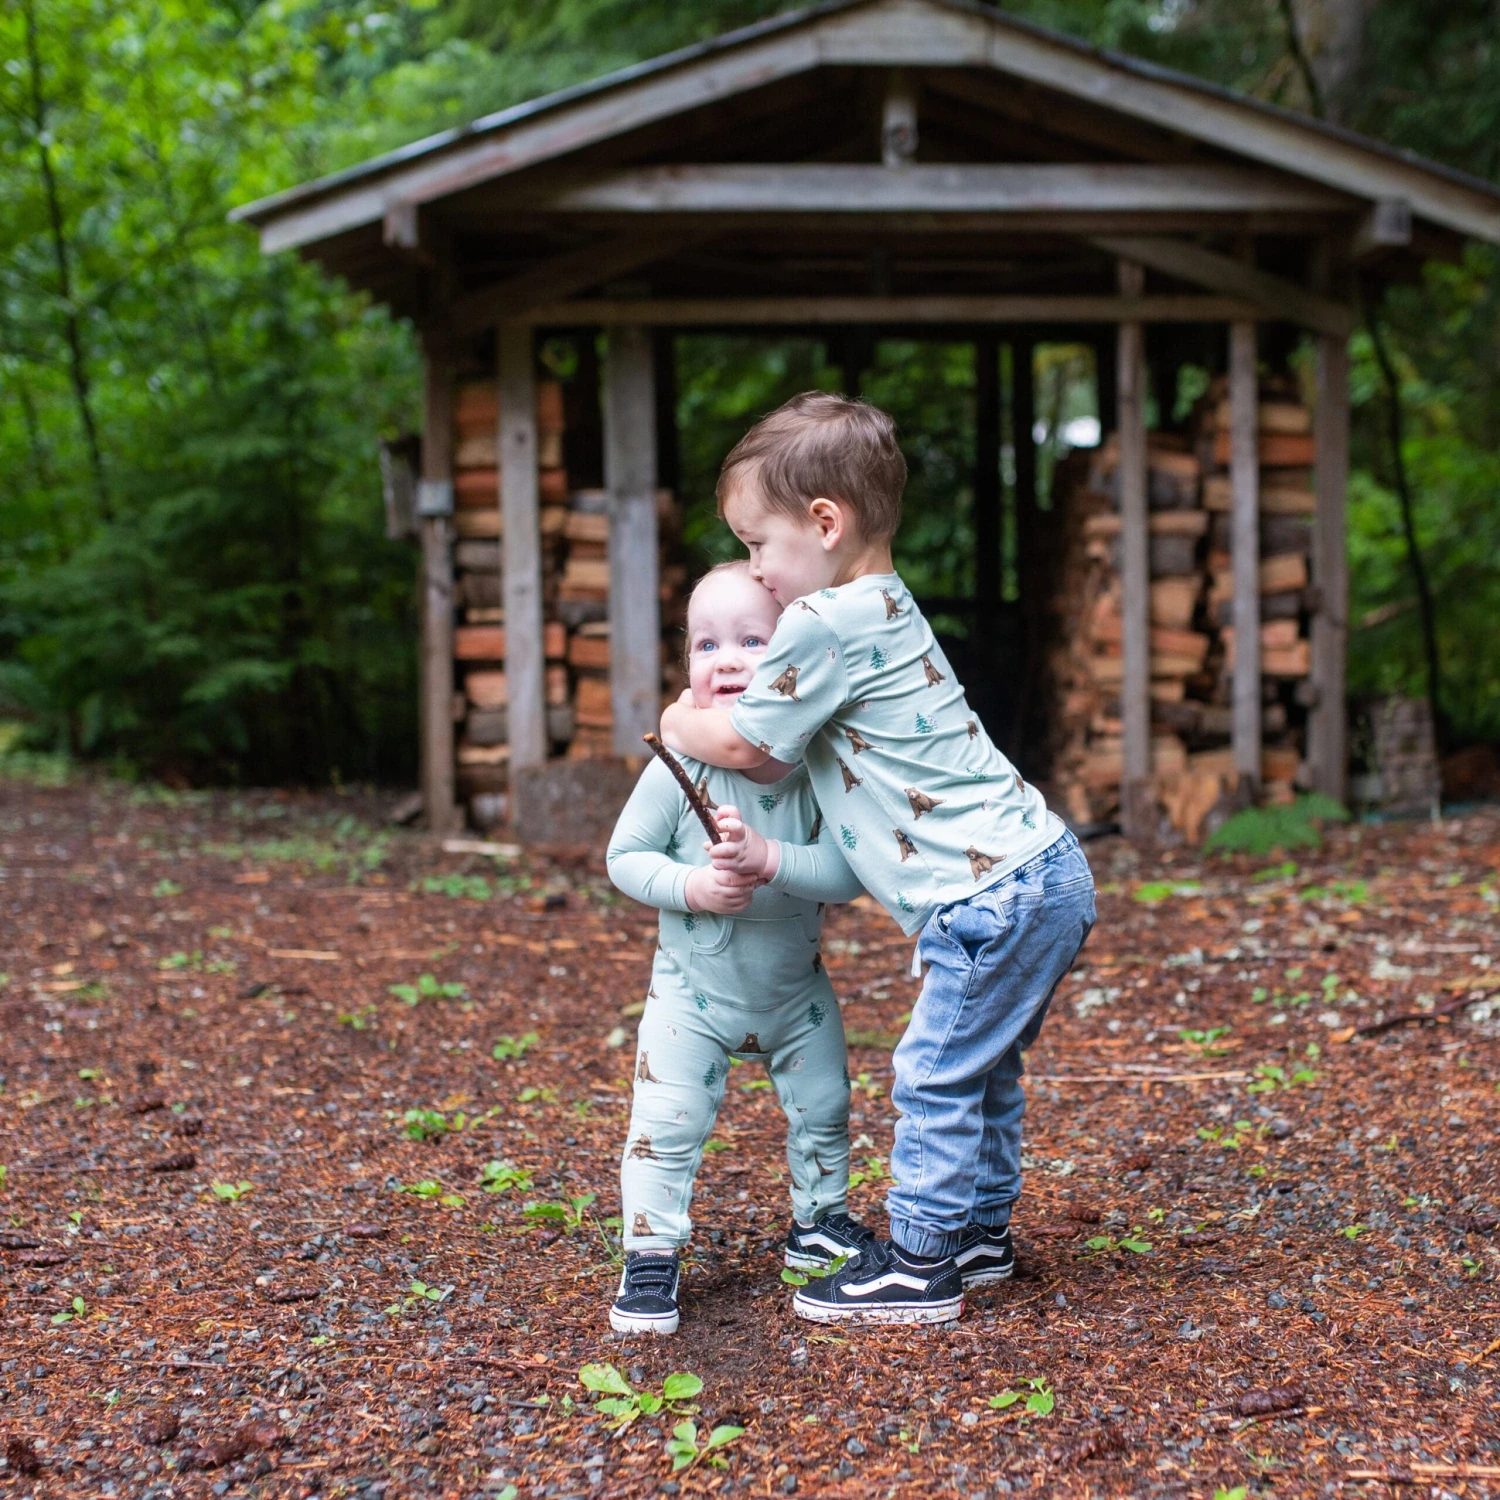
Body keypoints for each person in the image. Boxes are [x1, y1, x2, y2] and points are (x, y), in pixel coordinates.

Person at [660, 392, 1096, 1325]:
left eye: (756, 545)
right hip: (1042, 869)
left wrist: (676, 718)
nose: (754, 569)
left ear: (825, 523)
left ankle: (921, 1260)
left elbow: (747, 745)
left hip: (989, 894)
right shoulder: (889, 605)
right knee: (985, 1068)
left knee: (934, 1070)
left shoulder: (825, 623)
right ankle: (978, 1230)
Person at [605, 560, 873, 1335]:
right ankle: (651, 1253)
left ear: (794, 662)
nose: (726, 658)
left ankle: (818, 1224)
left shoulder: (818, 768)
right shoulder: (678, 764)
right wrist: (693, 887)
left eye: (753, 640)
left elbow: (850, 870)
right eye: (705, 643)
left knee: (824, 1107)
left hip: (795, 991)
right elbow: (625, 859)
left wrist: (770, 860)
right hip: (692, 992)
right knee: (666, 1120)